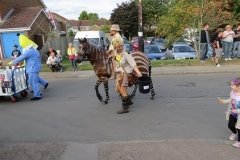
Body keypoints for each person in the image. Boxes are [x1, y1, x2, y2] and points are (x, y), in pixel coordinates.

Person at [8, 33, 44, 101]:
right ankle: (38, 92)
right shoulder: (35, 50)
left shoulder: (28, 52)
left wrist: (12, 62)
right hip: (36, 67)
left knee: (32, 81)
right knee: (35, 81)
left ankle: (37, 95)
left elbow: (21, 57)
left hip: (32, 68)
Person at [114, 40, 142, 114]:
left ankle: (125, 108)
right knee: (118, 89)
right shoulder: (116, 53)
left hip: (125, 73)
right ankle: (128, 100)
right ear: (115, 47)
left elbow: (133, 63)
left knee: (123, 90)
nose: (120, 48)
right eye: (118, 47)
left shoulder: (126, 53)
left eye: (121, 46)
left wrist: (138, 72)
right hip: (118, 72)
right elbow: (116, 63)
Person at [219, 77, 240, 148]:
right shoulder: (232, 92)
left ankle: (239, 142)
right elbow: (230, 100)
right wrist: (224, 101)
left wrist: (237, 110)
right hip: (233, 113)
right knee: (230, 125)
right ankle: (234, 133)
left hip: (239, 114)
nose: (231, 86)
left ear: (239, 86)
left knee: (239, 128)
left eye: (232, 85)